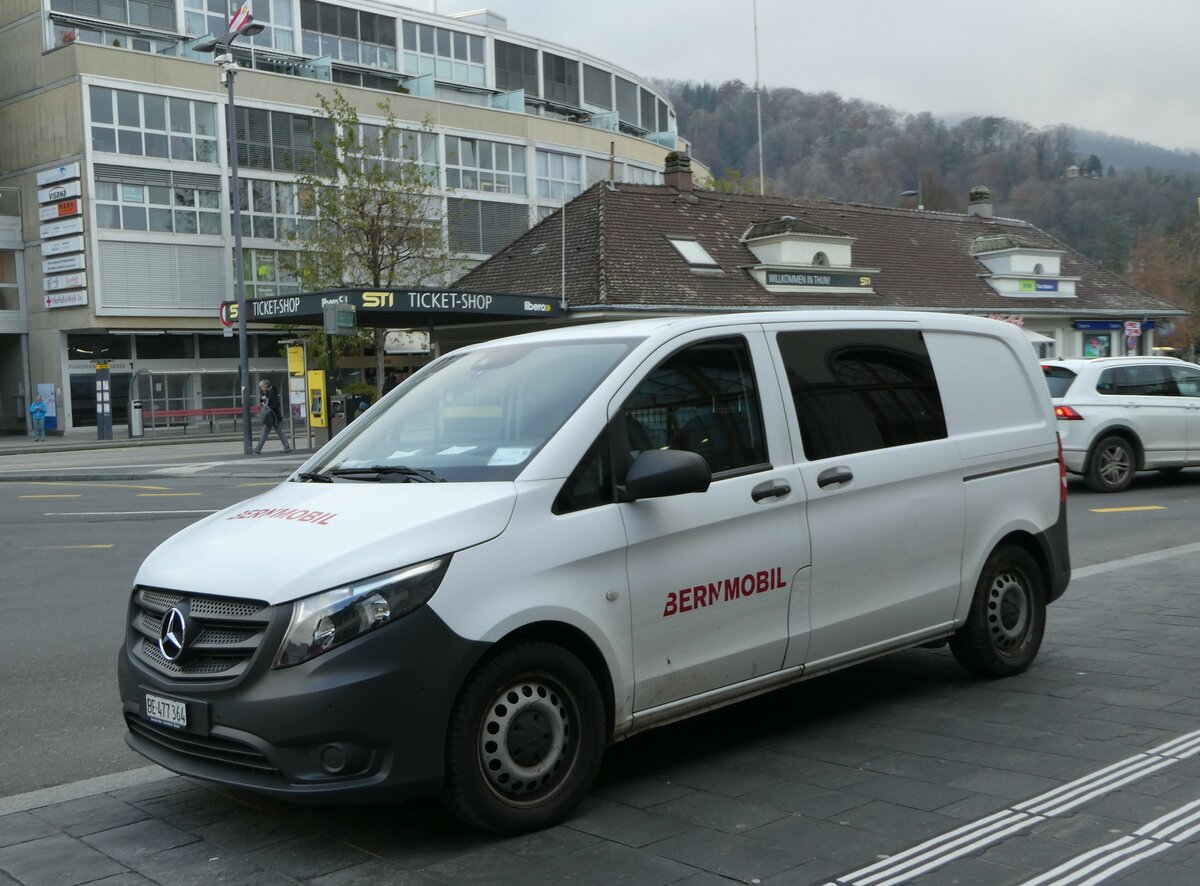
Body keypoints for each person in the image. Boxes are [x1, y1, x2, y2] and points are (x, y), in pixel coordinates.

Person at [254, 379, 291, 454]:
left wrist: (268, 406)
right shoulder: (269, 392)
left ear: (265, 386)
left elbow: (275, 404)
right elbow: (262, 400)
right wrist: (262, 399)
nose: (261, 388)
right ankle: (287, 447)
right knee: (278, 431)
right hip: (273, 416)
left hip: (272, 416)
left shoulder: (272, 392)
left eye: (261, 387)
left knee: (266, 431)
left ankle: (258, 448)